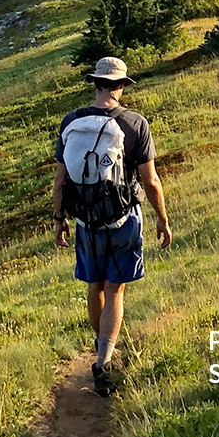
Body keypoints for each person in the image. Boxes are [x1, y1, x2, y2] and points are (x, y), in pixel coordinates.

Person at [52, 56, 174, 394]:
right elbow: (150, 181)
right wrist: (162, 219)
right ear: (121, 86)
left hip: (86, 220)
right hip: (123, 218)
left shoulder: (71, 122)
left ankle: (101, 343)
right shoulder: (135, 124)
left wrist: (59, 219)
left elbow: (61, 180)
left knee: (95, 285)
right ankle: (105, 359)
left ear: (95, 83)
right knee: (115, 289)